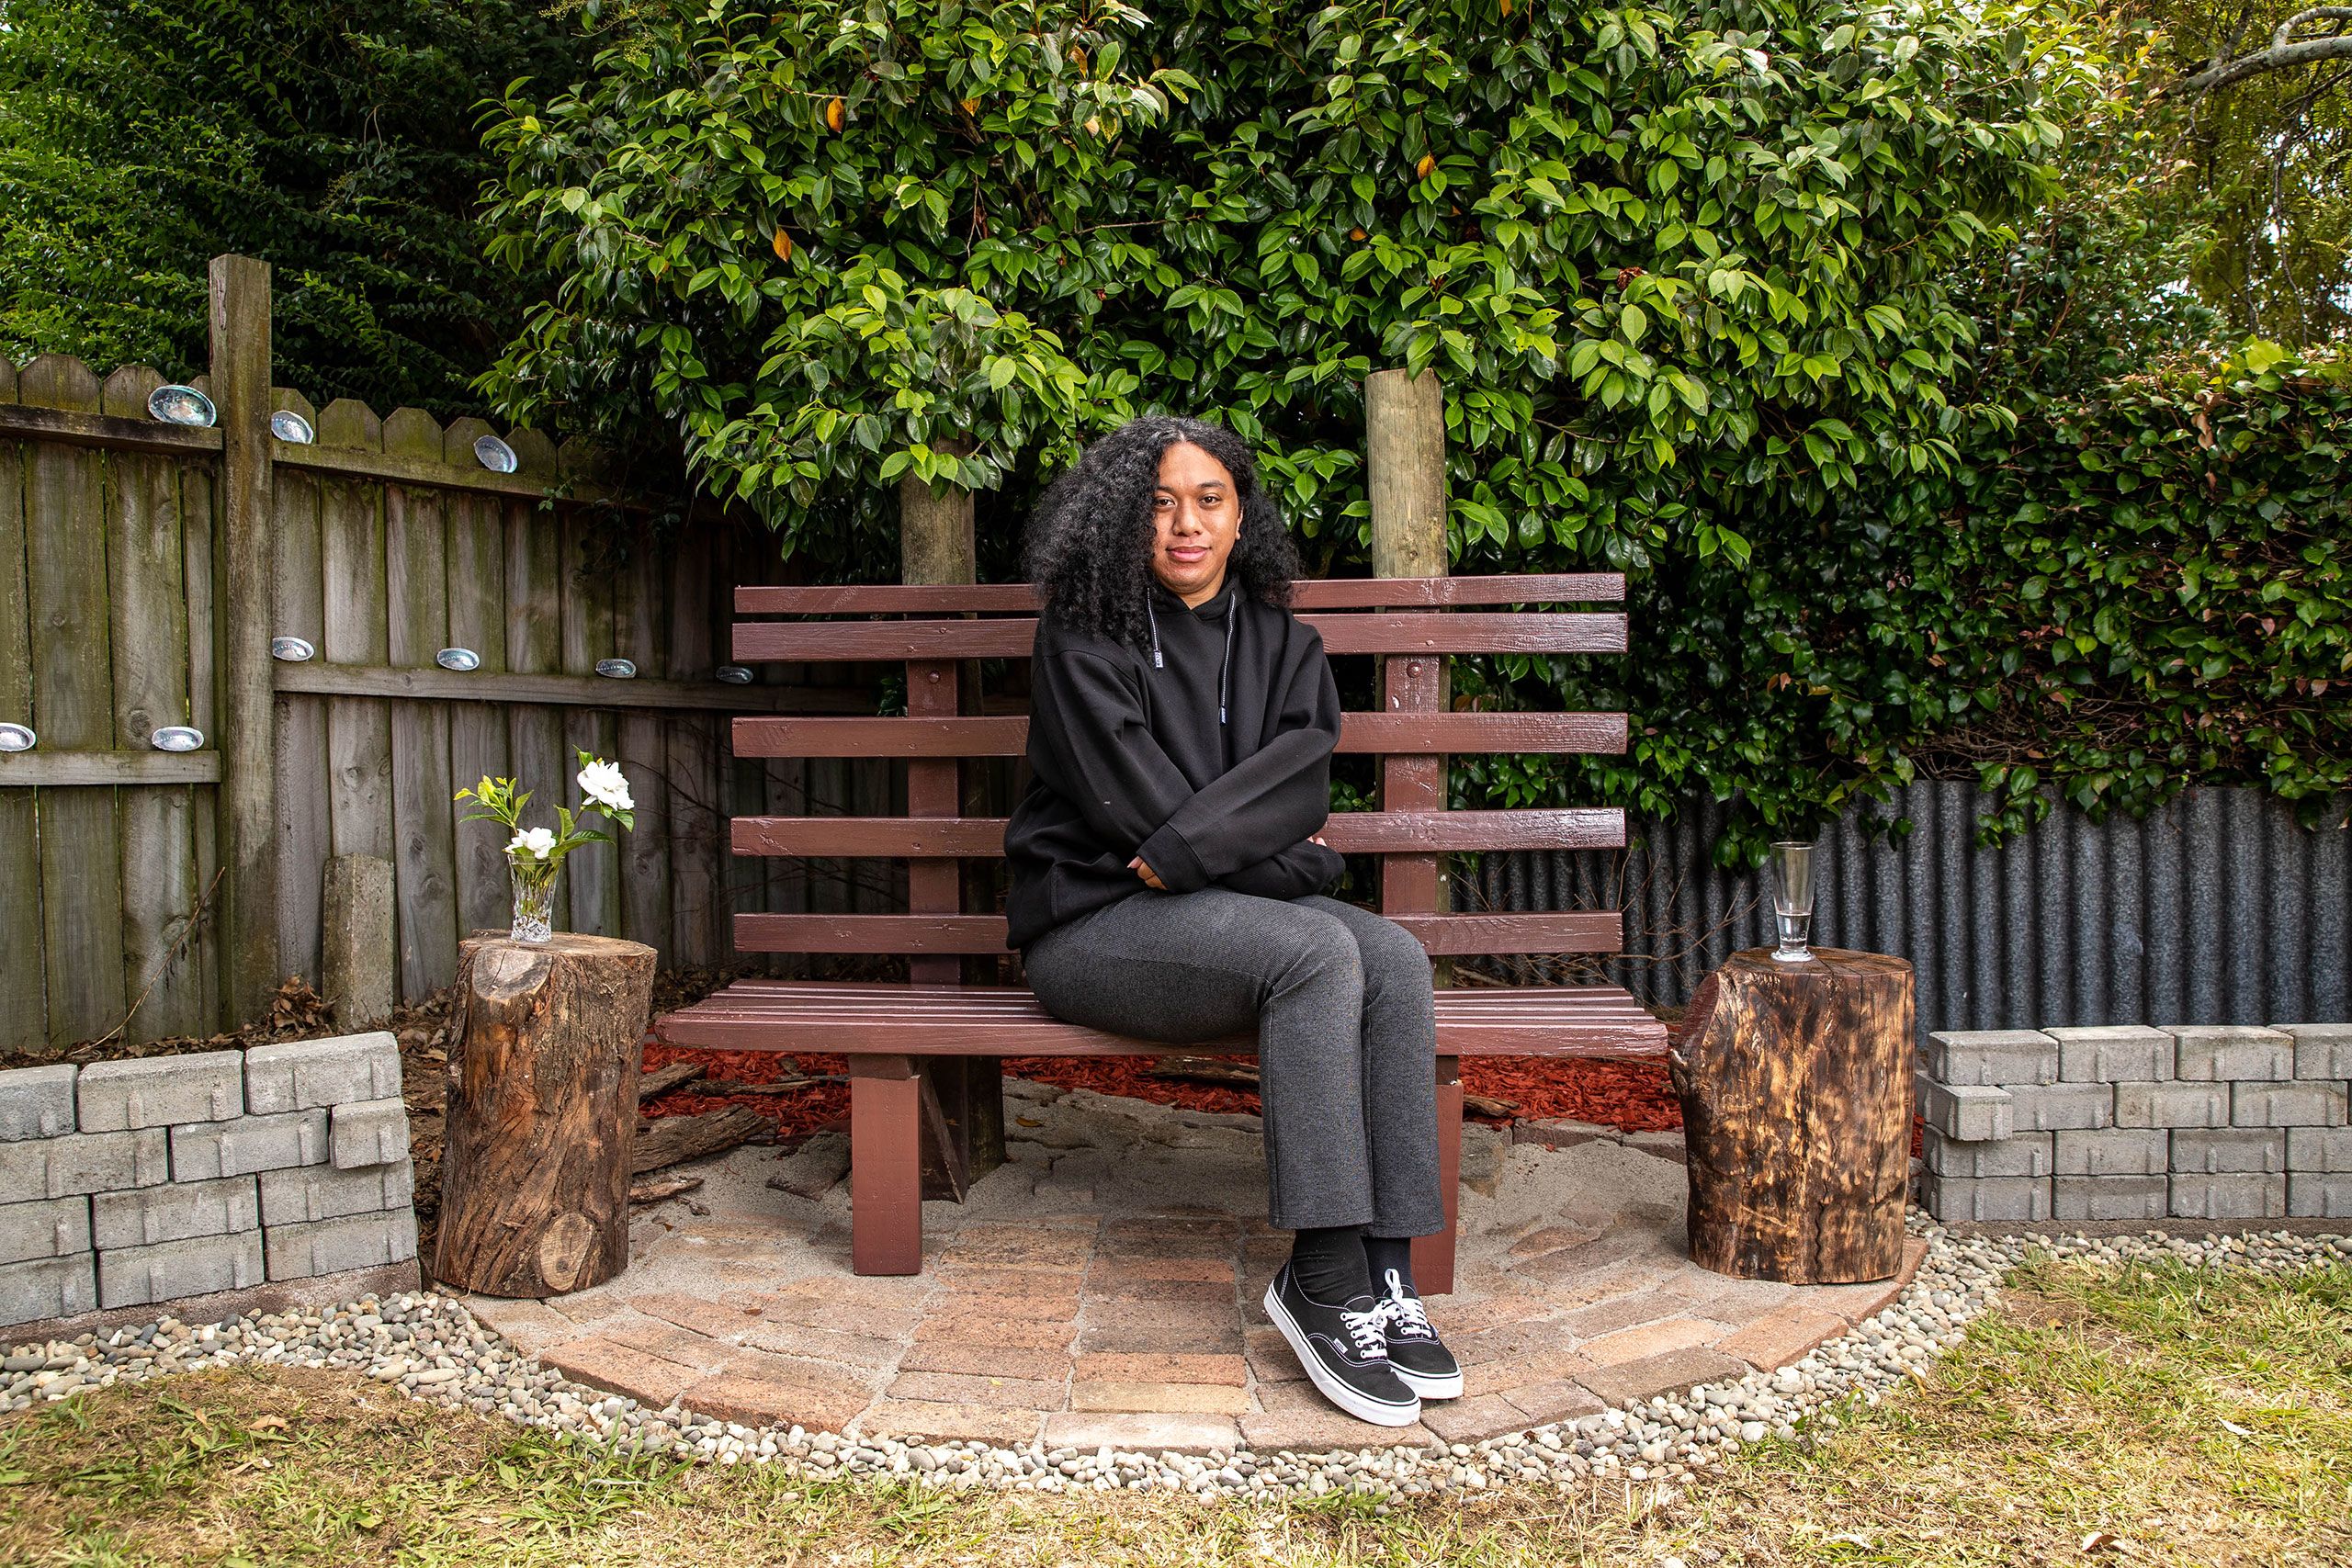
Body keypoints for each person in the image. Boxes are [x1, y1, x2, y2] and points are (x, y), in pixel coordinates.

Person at [1003, 414, 1460, 1427]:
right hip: (1095, 924)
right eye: (1158, 503)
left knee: (1391, 956)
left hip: (1215, 914)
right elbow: (1135, 802)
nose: (1184, 524)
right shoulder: (1084, 635)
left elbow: (1295, 786)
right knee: (1312, 950)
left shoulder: (1287, 648)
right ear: (1125, 520)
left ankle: (1387, 1271)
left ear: (1240, 515)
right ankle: (1322, 1275)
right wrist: (1282, 865)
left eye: (1206, 499)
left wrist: (1219, 851)